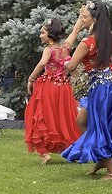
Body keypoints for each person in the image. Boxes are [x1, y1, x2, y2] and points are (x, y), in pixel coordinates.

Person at [61, 1, 112, 180]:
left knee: (98, 125)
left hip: (103, 87)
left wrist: (73, 34)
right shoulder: (107, 35)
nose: (82, 20)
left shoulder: (87, 42)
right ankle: (102, 158)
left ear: (94, 19)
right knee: (82, 119)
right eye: (81, 17)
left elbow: (70, 64)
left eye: (84, 17)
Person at [24, 17, 83, 164]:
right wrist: (81, 18)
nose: (40, 35)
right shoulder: (66, 47)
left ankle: (44, 154)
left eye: (42, 33)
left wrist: (31, 79)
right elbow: (75, 31)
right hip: (64, 88)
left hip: (49, 86)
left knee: (40, 116)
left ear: (50, 35)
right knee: (63, 118)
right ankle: (72, 151)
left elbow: (43, 63)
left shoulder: (48, 49)